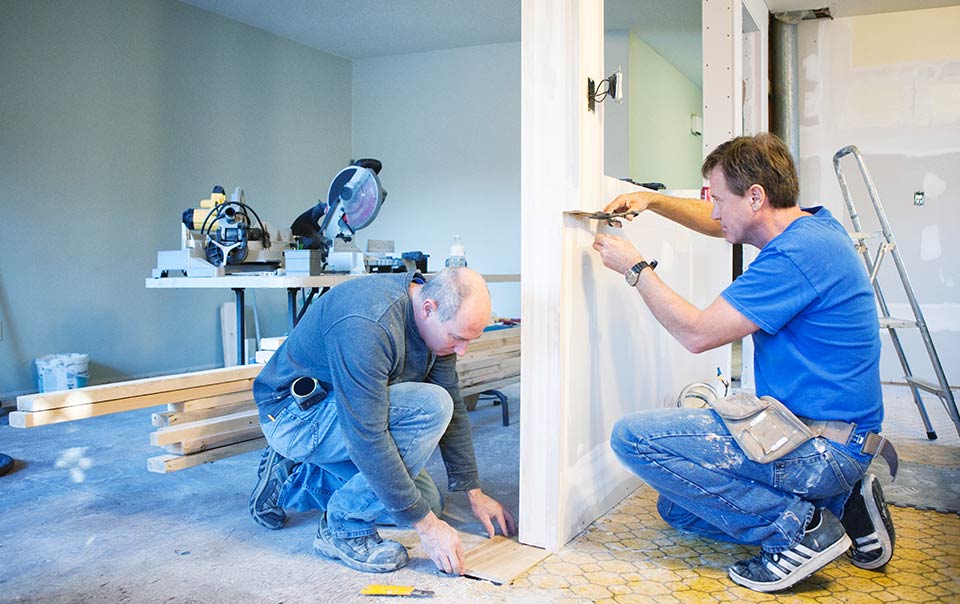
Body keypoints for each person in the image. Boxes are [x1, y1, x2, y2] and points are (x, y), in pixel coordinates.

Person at [592, 133, 895, 593]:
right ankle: (841, 506)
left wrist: (636, 268)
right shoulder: (811, 228)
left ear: (756, 196)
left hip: (819, 443)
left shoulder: (794, 256)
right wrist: (653, 200)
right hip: (823, 431)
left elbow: (697, 334)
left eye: (718, 199)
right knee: (676, 508)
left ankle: (802, 529)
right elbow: (724, 224)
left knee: (632, 439)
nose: (713, 212)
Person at [249, 268, 515, 574]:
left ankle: (297, 478)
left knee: (426, 500)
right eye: (457, 338)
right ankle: (343, 527)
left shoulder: (437, 327)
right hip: (295, 416)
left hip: (345, 411)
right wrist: (427, 528)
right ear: (429, 309)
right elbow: (366, 436)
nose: (461, 350)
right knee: (430, 407)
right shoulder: (367, 323)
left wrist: (473, 491)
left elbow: (454, 405)